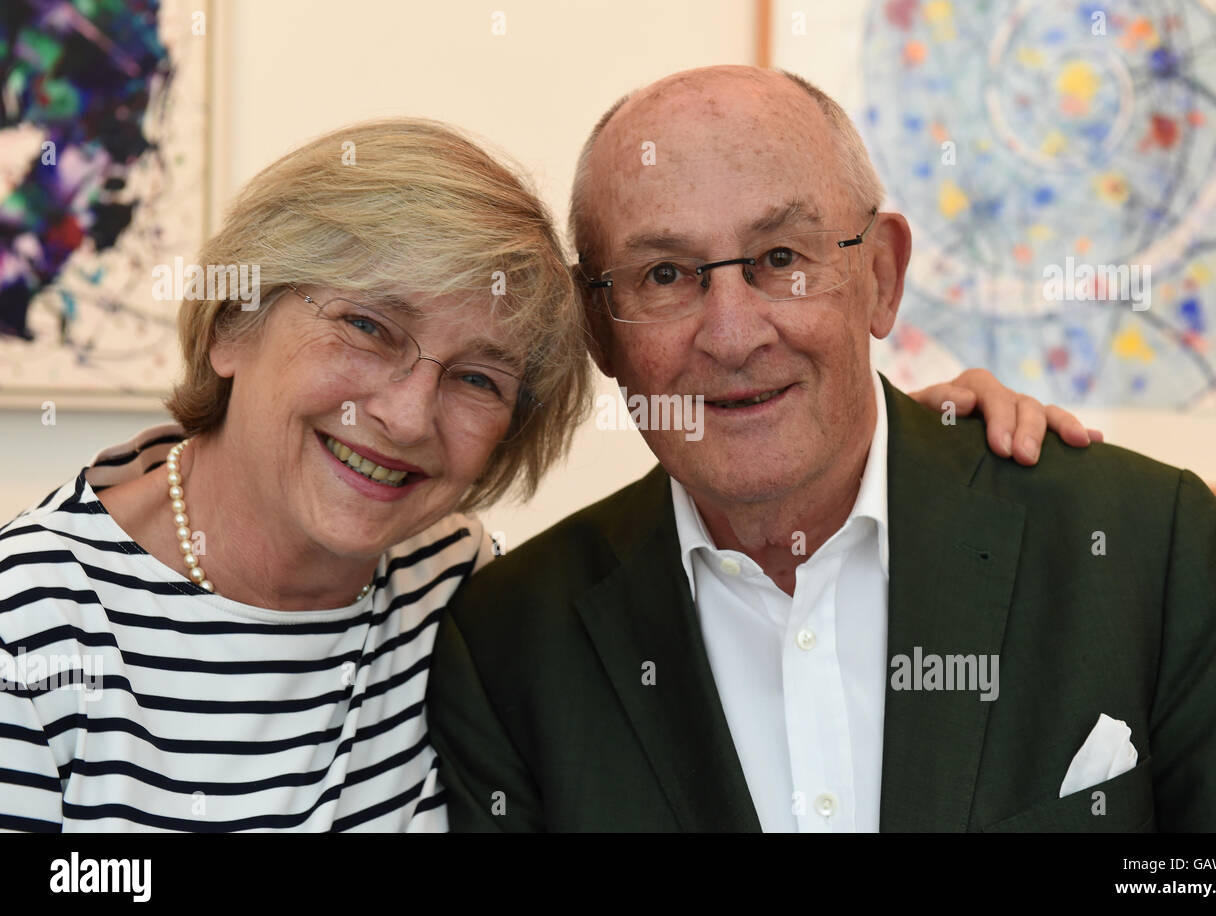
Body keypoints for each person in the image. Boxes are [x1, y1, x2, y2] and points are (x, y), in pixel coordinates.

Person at [0, 116, 1073, 832]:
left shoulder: (454, 589)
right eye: (369, 326)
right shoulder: (30, 627)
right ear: (234, 323)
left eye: (476, 377)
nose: (407, 413)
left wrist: (932, 455)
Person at [427, 67, 1216, 832]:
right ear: (601, 330)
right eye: (664, 275)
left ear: (880, 277)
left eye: (780, 257)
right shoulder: (510, 644)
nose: (732, 335)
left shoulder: (1145, 545)